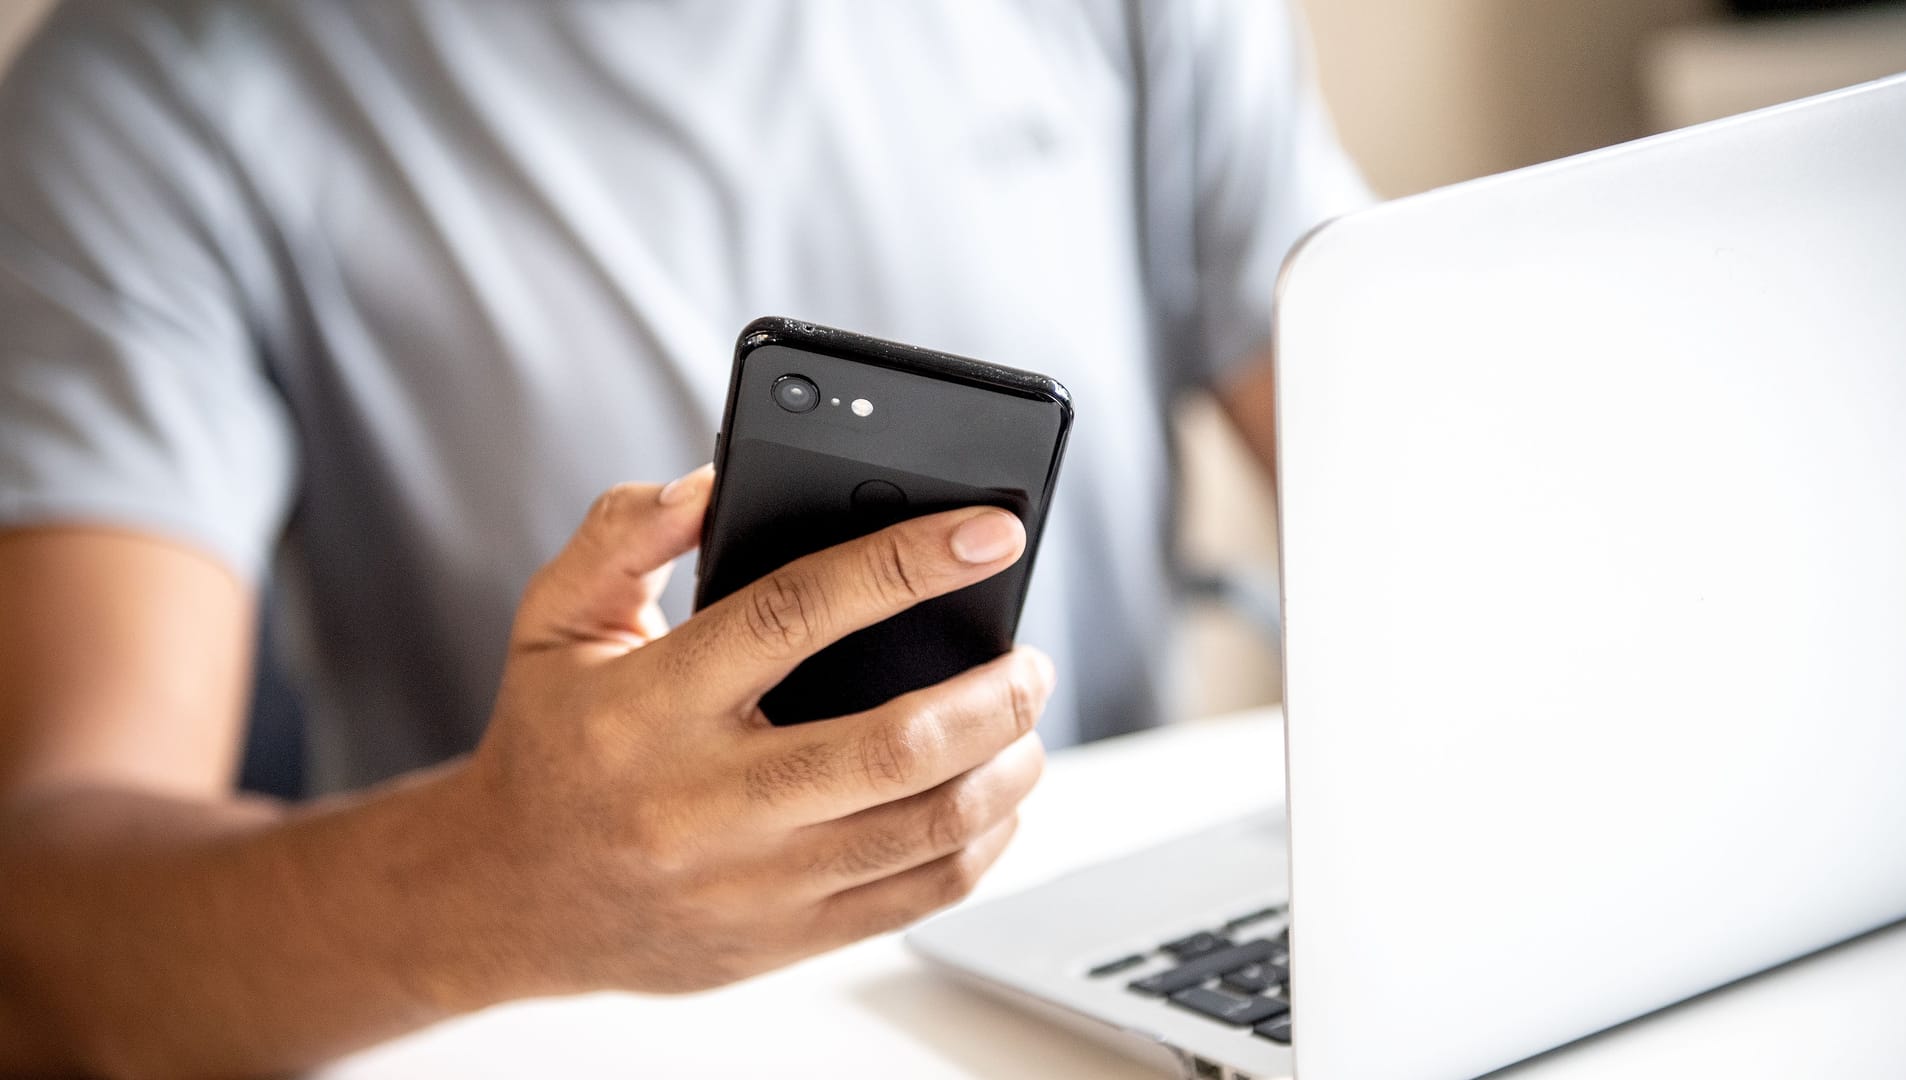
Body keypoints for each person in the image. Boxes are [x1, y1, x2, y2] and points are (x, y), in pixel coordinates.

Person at [0, 0, 1369, 1074]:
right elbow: (42, 952)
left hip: (1105, 989)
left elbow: (1425, 506)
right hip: (566, 1034)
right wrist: (495, 883)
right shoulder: (157, 97)